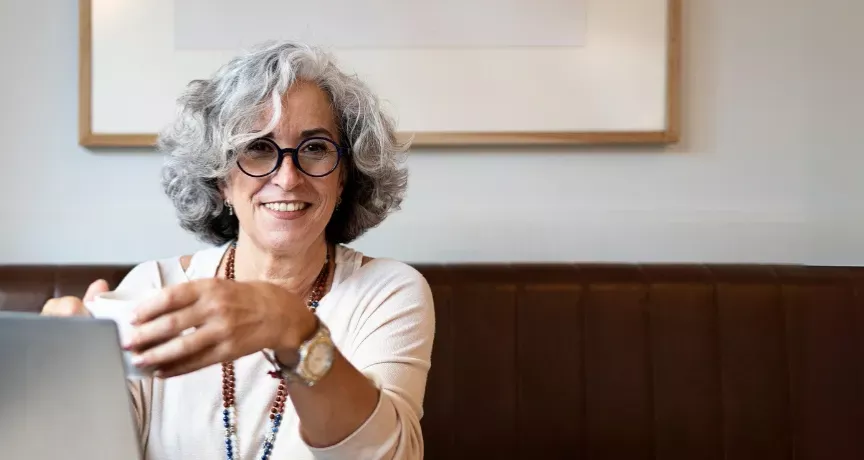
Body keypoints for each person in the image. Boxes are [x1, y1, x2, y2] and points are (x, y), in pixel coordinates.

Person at [41, 40, 435, 460]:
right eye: (258, 147)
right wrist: (67, 376)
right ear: (221, 179)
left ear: (343, 179)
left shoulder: (388, 292)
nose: (287, 177)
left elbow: (389, 455)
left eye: (315, 148)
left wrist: (294, 328)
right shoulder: (154, 289)